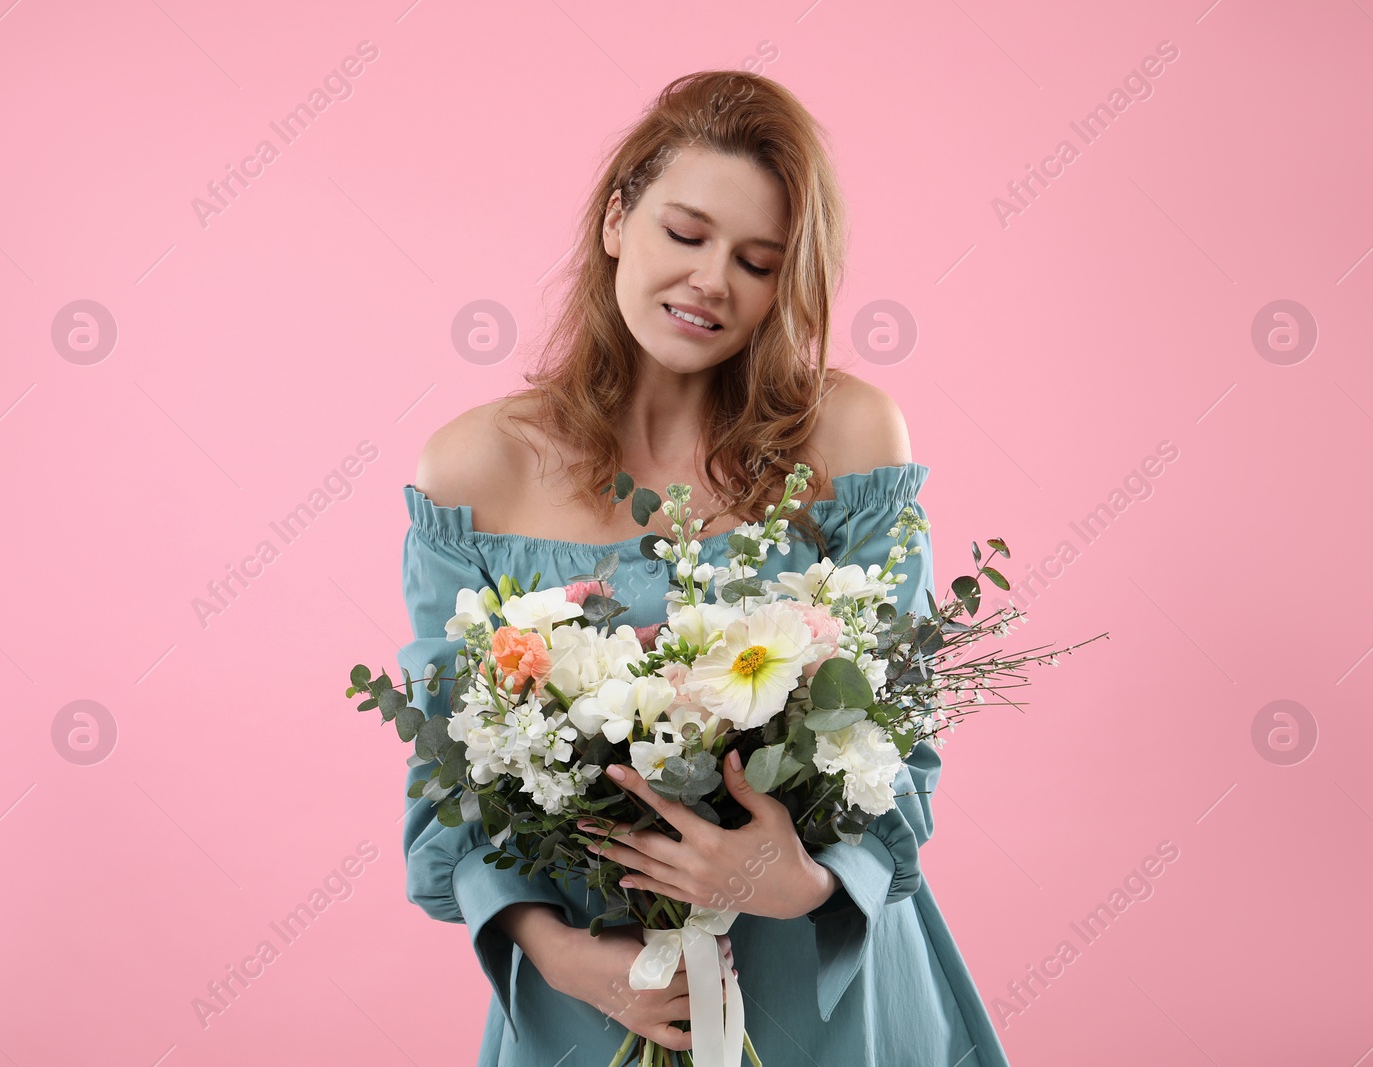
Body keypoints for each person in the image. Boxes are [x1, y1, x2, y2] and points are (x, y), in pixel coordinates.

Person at [399, 70, 1011, 1066]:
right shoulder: (474, 471)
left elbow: (900, 736)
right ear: (615, 221)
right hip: (605, 991)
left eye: (757, 260)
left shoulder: (850, 436)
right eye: (685, 235)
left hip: (821, 980)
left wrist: (798, 878)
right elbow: (452, 784)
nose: (712, 281)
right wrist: (560, 958)